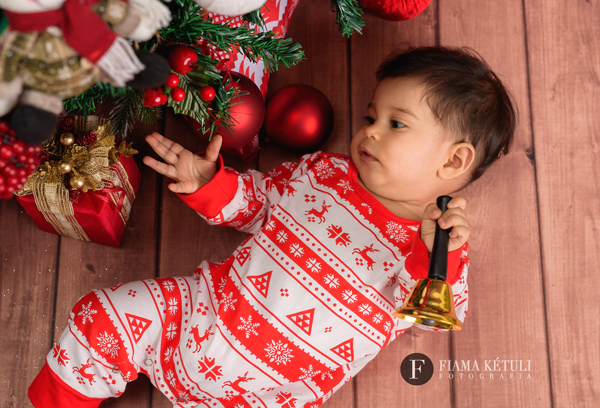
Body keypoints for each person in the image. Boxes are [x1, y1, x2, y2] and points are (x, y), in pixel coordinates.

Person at [28, 46, 517, 408]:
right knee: (102, 314)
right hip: (196, 314)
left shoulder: (434, 245)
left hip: (273, 391)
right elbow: (256, 204)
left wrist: (441, 257)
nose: (368, 129)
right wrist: (208, 183)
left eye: (396, 124)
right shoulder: (325, 174)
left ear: (454, 160)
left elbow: (426, 315)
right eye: (372, 115)